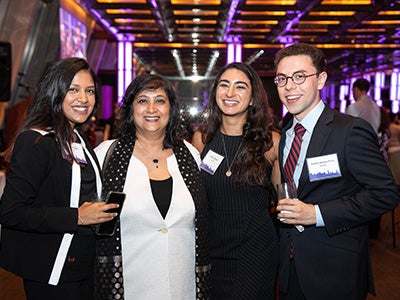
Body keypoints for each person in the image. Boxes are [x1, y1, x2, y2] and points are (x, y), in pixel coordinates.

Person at [274, 43, 399, 300]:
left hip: (335, 271)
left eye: (299, 77)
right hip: (291, 267)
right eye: (282, 79)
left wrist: (316, 213)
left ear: (320, 80)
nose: (289, 87)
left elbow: (386, 193)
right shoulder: (285, 133)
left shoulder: (350, 130)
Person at [0, 57, 118, 300]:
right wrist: (77, 216)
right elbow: (11, 212)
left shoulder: (81, 141)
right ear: (55, 92)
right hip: (52, 271)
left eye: (89, 91)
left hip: (84, 266)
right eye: (73, 90)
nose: (83, 99)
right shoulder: (36, 142)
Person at [94, 73, 210, 299]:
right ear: (130, 109)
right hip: (127, 284)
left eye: (160, 100)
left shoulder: (190, 155)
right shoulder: (105, 155)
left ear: (171, 109)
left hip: (182, 286)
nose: (151, 109)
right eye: (142, 100)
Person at [192, 62, 280, 299]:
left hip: (256, 251)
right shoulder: (201, 140)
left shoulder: (271, 143)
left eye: (240, 87)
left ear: (252, 98)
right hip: (211, 249)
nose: (230, 93)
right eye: (224, 85)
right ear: (215, 93)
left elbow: (286, 198)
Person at [388, 112, 400, 185]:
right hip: (397, 149)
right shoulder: (397, 128)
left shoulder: (385, 128)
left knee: (391, 171)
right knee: (397, 171)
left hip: (388, 150)